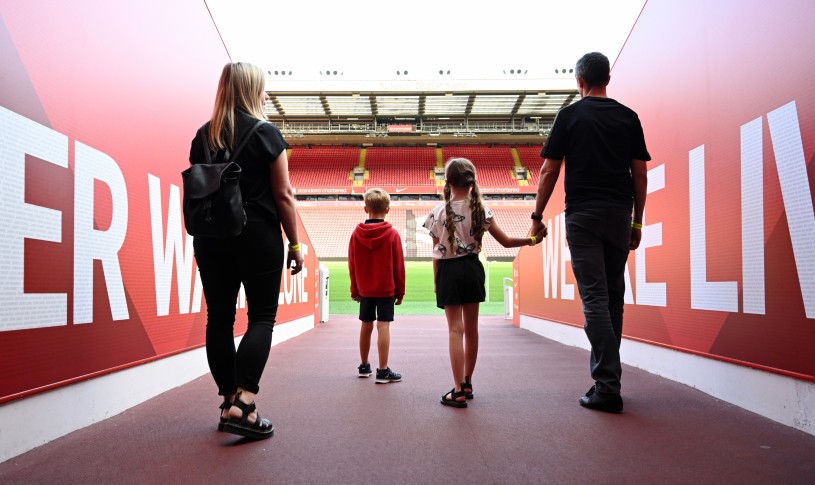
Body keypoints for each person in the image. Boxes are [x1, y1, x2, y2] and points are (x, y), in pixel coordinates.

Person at [530, 52, 650, 414]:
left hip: (582, 215)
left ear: (579, 81)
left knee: (595, 298)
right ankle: (607, 381)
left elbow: (549, 172)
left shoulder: (569, 115)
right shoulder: (629, 117)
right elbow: (639, 174)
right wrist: (637, 221)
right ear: (607, 79)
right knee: (613, 296)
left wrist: (537, 216)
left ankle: (608, 385)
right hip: (618, 213)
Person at [189, 62, 304, 440]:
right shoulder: (266, 133)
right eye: (264, 88)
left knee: (218, 320)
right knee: (261, 318)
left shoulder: (203, 136)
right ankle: (245, 403)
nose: (266, 94)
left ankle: (228, 402)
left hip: (211, 238)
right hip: (257, 235)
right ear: (253, 90)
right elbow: (283, 194)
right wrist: (295, 243)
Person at [424, 158, 544, 408]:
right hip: (473, 268)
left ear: (447, 181)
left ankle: (456, 391)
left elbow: (437, 252)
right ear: (471, 181)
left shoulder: (437, 213)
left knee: (455, 330)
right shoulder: (481, 210)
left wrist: (437, 281)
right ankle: (467, 383)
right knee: (472, 329)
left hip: (448, 270)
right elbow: (508, 242)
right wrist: (532, 240)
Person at [348, 188, 405, 384]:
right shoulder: (392, 234)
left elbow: (352, 264)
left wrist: (355, 289)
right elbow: (399, 266)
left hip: (365, 289)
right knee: (383, 326)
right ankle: (382, 371)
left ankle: (364, 366)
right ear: (387, 209)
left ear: (366, 209)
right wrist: (400, 291)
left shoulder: (356, 234)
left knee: (366, 325)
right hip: (386, 288)